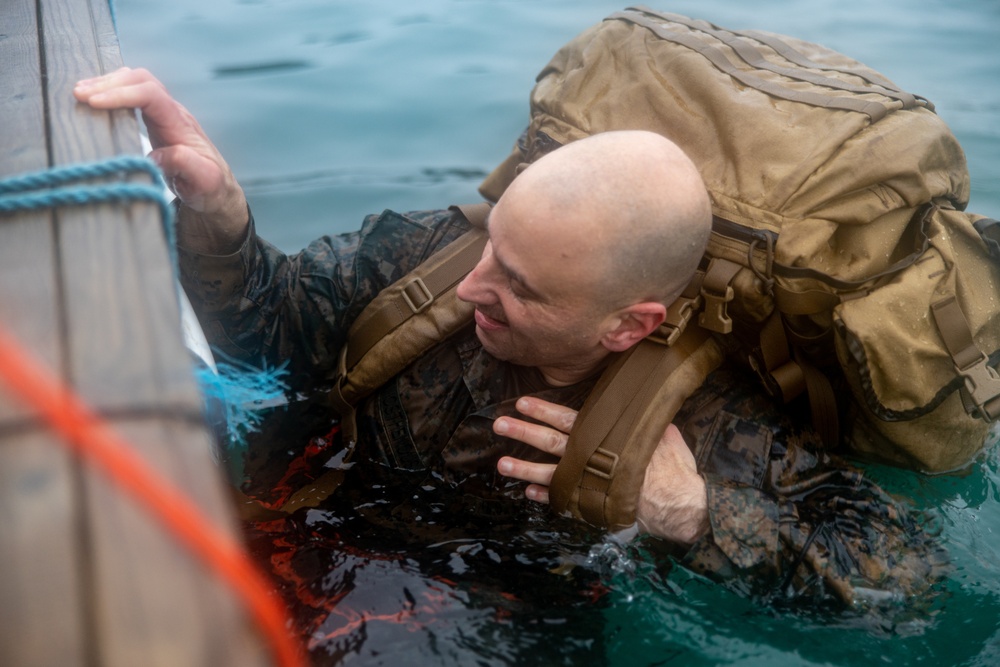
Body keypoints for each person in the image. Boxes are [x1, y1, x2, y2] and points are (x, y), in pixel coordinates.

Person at [74, 67, 946, 610]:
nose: (472, 285)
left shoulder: (716, 426)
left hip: (487, 607)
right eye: (495, 244)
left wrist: (697, 513)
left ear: (628, 324)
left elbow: (910, 581)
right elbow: (276, 327)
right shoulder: (428, 254)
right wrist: (219, 215)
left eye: (520, 287)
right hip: (314, 509)